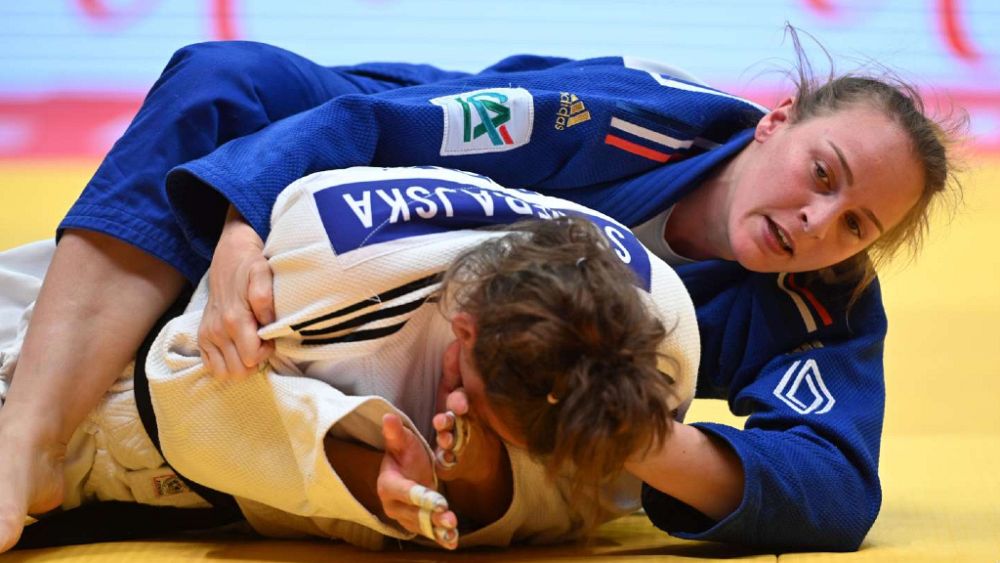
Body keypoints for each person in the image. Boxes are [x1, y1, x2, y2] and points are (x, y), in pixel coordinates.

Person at [0, 28, 963, 552]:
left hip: (474, 340)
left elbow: (837, 489)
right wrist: (242, 227)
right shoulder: (617, 114)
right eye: (822, 174)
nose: (816, 223)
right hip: (409, 148)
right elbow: (378, 124)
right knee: (223, 78)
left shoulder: (823, 298)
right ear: (776, 121)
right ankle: (29, 438)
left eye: (856, 225)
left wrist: (626, 432)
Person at [0, 166, 699, 550]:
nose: (460, 407)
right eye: (475, 392)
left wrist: (480, 484)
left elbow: (575, 508)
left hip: (177, 507)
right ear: (464, 327)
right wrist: (356, 464)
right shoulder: (342, 258)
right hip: (73, 370)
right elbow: (177, 392)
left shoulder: (658, 352)